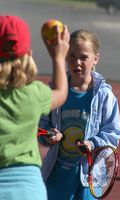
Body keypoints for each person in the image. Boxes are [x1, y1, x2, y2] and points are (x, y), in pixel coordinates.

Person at [38, 29, 120, 200]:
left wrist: (93, 144)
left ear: (95, 59)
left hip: (90, 176)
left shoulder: (104, 96)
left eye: (84, 57)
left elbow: (113, 133)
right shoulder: (55, 91)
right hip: (57, 173)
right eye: (72, 56)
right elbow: (41, 125)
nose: (77, 62)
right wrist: (49, 135)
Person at [0, 15, 70, 200]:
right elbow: (61, 91)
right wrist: (58, 57)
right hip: (28, 190)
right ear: (28, 55)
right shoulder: (34, 94)